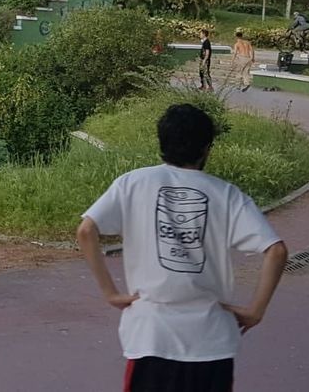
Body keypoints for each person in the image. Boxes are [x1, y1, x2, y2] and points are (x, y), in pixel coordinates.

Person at [78, 104, 289, 392]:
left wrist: (110, 293)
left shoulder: (132, 183)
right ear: (206, 148)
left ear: (161, 142)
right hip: (211, 343)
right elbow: (276, 251)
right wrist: (255, 311)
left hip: (151, 337)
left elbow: (86, 230)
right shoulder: (226, 194)